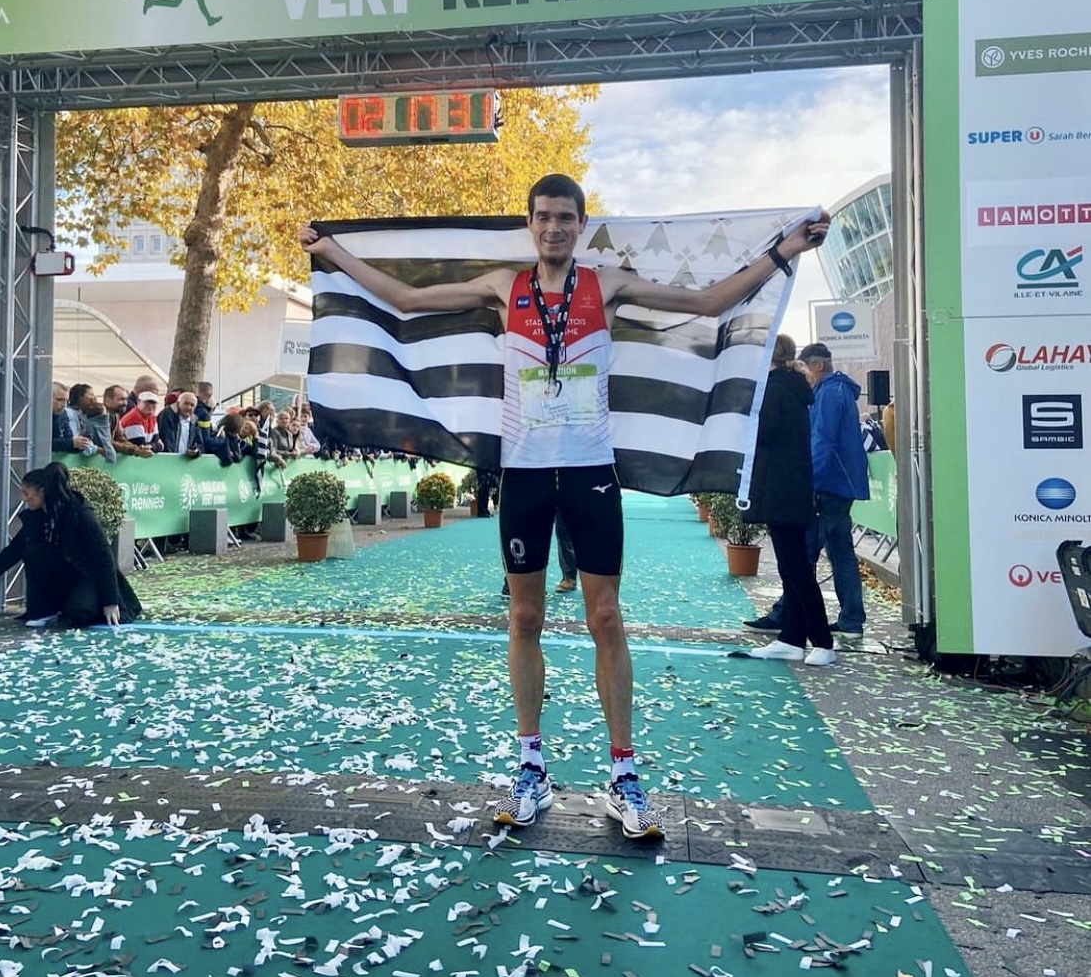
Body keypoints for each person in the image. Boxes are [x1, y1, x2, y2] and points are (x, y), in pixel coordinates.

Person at [301, 173, 829, 840]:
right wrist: (333, 254)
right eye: (543, 217)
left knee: (604, 615)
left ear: (580, 224)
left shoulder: (603, 284)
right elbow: (406, 299)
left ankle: (624, 775)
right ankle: (531, 767)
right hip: (524, 474)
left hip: (590, 475)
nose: (552, 228)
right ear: (530, 224)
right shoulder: (503, 285)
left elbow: (708, 299)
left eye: (564, 218)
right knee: (524, 615)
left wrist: (784, 252)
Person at [744, 342, 870, 637]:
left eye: (805, 367)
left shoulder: (829, 394)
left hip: (828, 484)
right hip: (840, 484)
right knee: (841, 553)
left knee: (802, 554)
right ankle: (851, 620)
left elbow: (822, 441)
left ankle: (786, 615)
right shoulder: (836, 392)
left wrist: (808, 482)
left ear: (817, 366)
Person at [745, 335, 835, 665]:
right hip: (791, 487)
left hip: (780, 488)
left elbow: (763, 434)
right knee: (792, 566)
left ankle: (823, 642)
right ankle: (793, 638)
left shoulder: (774, 389)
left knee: (796, 568)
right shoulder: (794, 388)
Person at [0, 463, 141, 627]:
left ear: (42, 492)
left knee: (80, 612)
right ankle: (45, 610)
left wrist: (111, 601)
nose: (24, 499)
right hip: (61, 578)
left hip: (86, 574)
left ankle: (84, 603)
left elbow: (103, 555)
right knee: (33, 551)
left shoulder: (79, 512)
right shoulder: (35, 518)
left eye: (27, 493)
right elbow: (11, 553)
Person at [104, 384, 155, 459]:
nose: (125, 403)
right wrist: (136, 451)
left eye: (126, 399)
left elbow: (120, 438)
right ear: (108, 400)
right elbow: (107, 442)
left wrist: (137, 448)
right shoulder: (101, 415)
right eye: (121, 399)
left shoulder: (115, 414)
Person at [51, 382, 93, 455]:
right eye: (59, 400)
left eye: (66, 401)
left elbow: (68, 439)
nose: (64, 404)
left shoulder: (63, 414)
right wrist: (71, 443)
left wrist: (80, 445)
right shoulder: (37, 416)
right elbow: (42, 442)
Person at [156, 390, 203, 456]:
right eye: (186, 403)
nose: (189, 407)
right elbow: (167, 440)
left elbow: (199, 443)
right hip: (167, 459)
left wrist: (196, 451)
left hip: (185, 460)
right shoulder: (167, 415)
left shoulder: (194, 421)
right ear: (178, 403)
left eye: (192, 405)